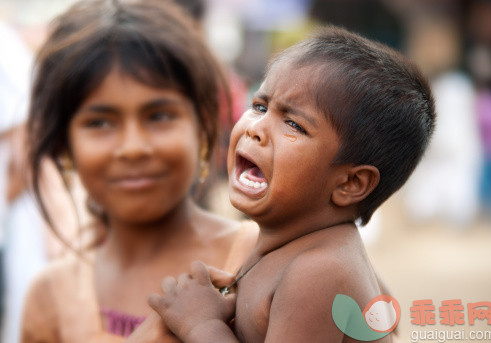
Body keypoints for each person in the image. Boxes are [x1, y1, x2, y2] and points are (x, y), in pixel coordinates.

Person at [148, 26, 436, 342]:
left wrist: (201, 324)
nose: (255, 129)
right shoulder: (297, 245)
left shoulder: (320, 271)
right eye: (259, 106)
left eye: (294, 123)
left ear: (351, 183)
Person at [20, 0, 259, 342]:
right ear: (63, 144)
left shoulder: (260, 259)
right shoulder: (51, 296)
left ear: (204, 124)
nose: (133, 147)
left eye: (159, 115)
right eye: (100, 122)